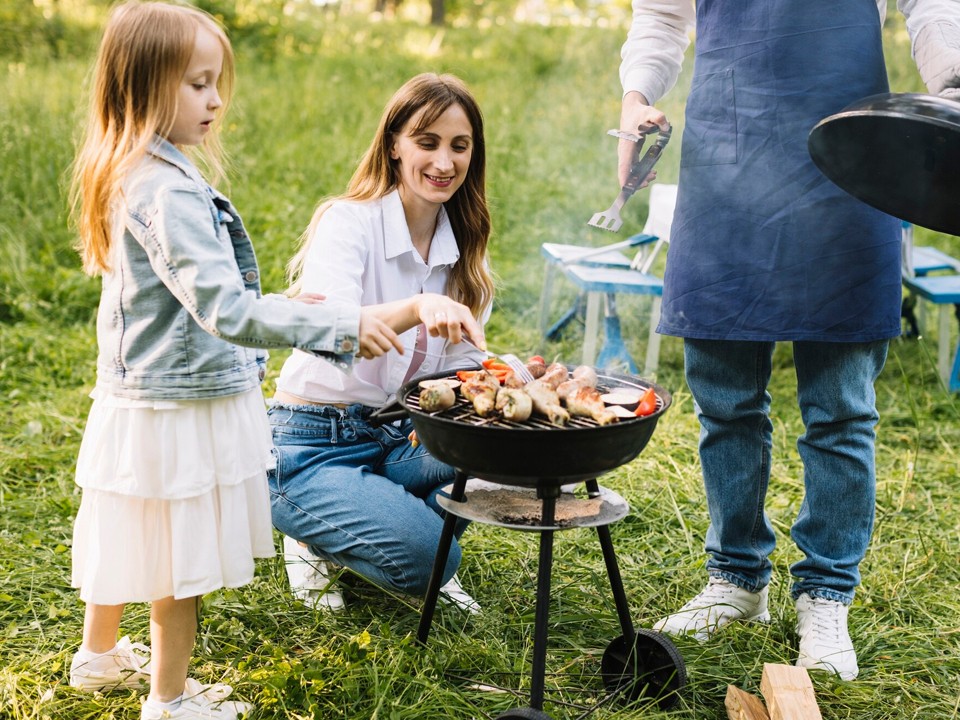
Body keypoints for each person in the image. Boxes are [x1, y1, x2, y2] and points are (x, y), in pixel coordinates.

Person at [65, 3, 413, 718]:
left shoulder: (137, 171)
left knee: (127, 522)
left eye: (215, 81)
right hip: (180, 407)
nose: (215, 99)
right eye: (196, 84)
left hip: (142, 397)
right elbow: (224, 311)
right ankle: (169, 699)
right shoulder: (168, 190)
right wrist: (338, 324)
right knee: (174, 561)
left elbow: (196, 299)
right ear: (141, 86)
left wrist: (289, 302)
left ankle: (98, 656)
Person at [616, 0, 960, 681]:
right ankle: (737, 580)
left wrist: (952, 85)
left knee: (840, 410)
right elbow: (659, 15)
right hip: (726, 156)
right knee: (724, 400)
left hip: (852, 164)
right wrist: (635, 97)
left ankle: (826, 593)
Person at [268, 73, 493, 614]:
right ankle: (312, 534)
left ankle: (379, 520)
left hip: (399, 435)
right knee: (426, 559)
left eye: (459, 147)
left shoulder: (464, 250)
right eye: (427, 141)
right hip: (314, 443)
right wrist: (416, 309)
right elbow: (329, 332)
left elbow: (462, 366)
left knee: (498, 455)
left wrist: (497, 375)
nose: (444, 163)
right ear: (394, 144)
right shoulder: (349, 223)